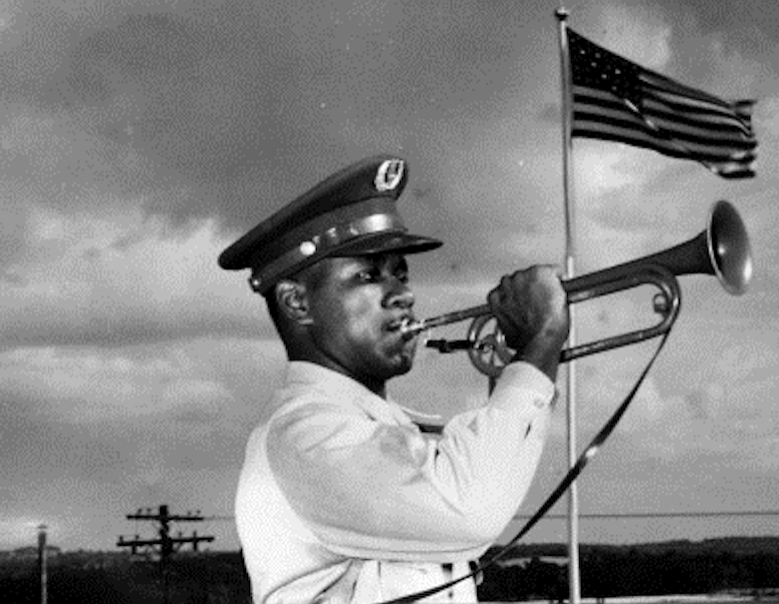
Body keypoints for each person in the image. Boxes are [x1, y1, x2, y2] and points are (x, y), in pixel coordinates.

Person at [219, 155, 569, 604]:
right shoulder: (306, 434)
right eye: (369, 275)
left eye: (400, 274)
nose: (403, 293)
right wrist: (541, 341)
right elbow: (468, 509)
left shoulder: (377, 427)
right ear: (297, 303)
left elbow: (476, 488)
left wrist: (524, 360)